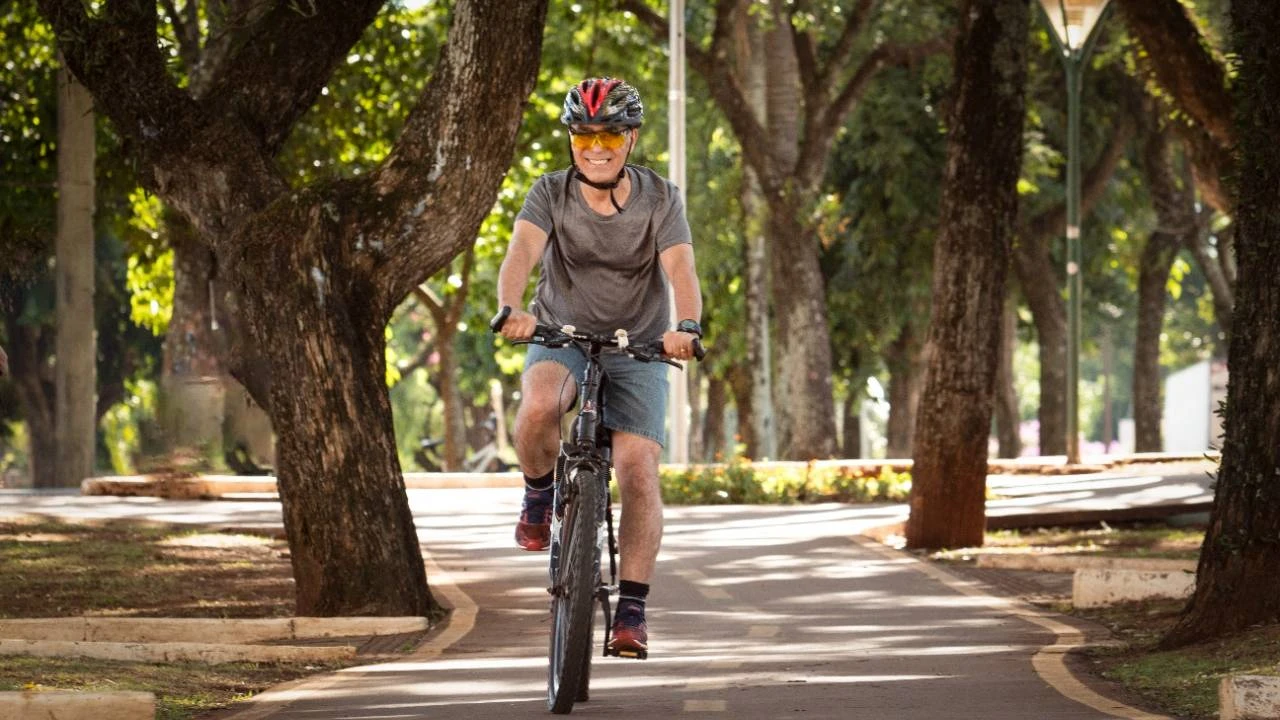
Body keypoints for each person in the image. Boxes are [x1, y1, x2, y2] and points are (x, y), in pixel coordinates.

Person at [495, 77, 703, 659]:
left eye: (609, 134)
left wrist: (686, 327)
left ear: (631, 138)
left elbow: (681, 269)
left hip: (641, 345)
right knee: (540, 405)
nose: (595, 146)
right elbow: (521, 252)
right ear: (571, 139)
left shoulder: (661, 198)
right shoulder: (549, 191)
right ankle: (539, 495)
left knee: (638, 471)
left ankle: (631, 610)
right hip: (560, 334)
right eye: (583, 134)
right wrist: (511, 308)